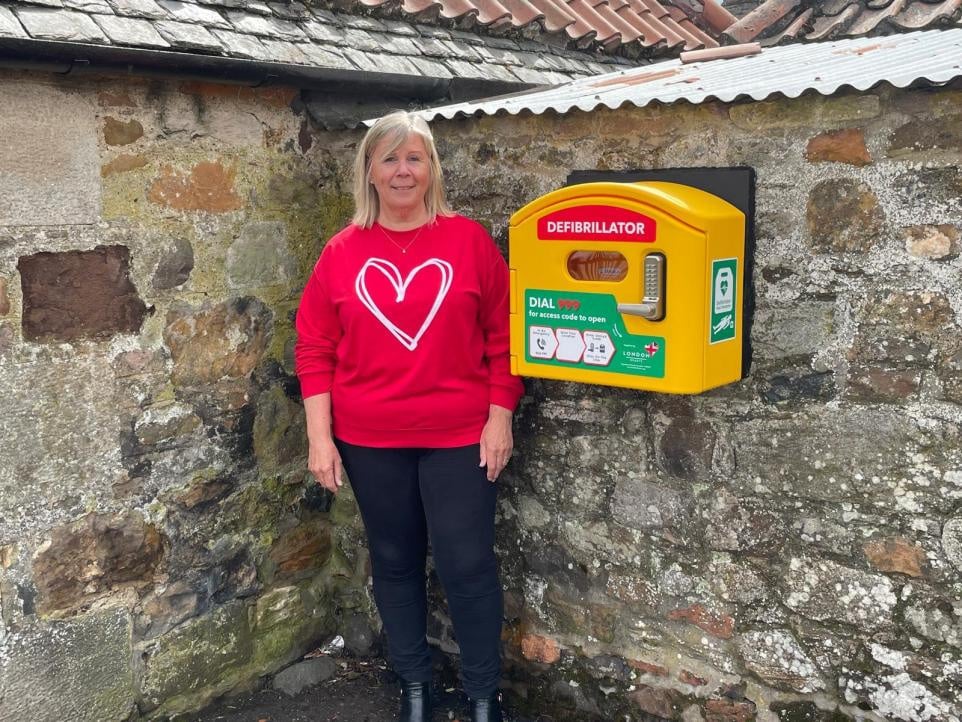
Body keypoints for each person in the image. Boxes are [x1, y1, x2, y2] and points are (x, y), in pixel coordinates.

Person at [294, 110, 524, 722]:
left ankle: (482, 695)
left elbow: (505, 335)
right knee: (393, 563)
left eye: (414, 158)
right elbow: (314, 348)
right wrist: (322, 439)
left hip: (460, 436)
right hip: (370, 439)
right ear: (369, 170)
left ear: (431, 169)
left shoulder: (468, 241)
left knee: (467, 564)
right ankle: (415, 688)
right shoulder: (342, 252)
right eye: (389, 158)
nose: (402, 171)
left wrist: (500, 416)